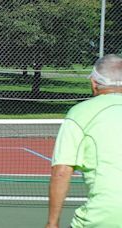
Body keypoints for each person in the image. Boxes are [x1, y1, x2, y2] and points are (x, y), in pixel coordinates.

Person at [46, 54, 122, 228]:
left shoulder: (80, 113)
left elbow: (62, 171)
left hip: (104, 217)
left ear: (94, 83)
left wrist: (52, 223)